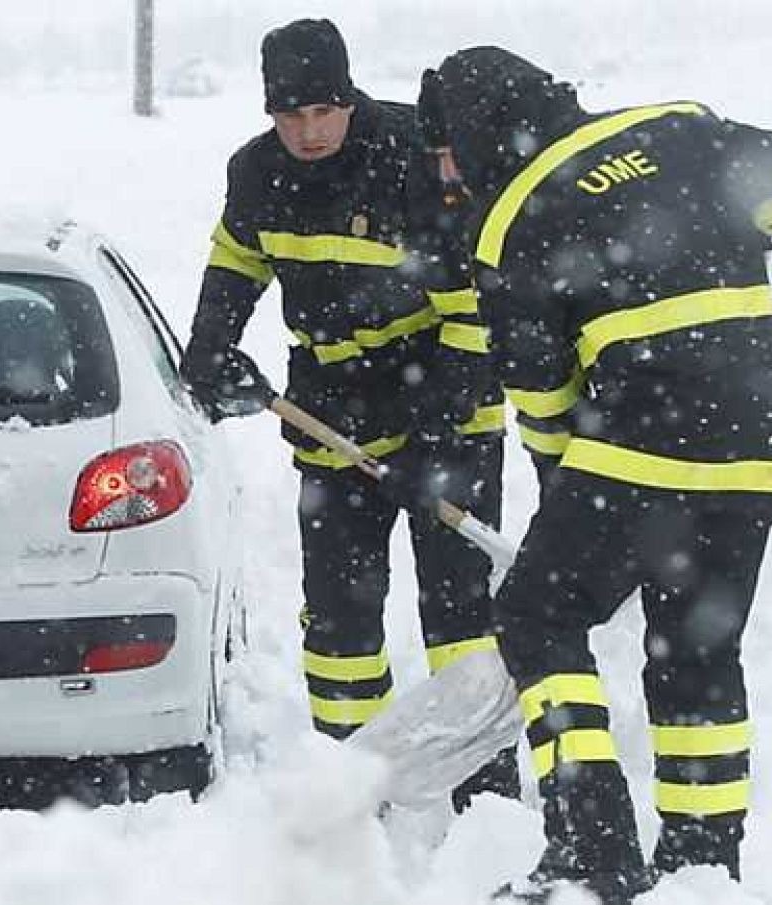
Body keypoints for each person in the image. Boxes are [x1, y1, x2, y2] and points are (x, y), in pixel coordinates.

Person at [417, 47, 772, 903]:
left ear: (475, 135)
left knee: (536, 613)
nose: (450, 174)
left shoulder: (512, 219)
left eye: (449, 150)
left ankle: (589, 850)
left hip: (640, 447)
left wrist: (577, 501)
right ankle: (704, 866)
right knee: (698, 652)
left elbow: (544, 398)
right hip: (753, 444)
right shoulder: (684, 126)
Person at [178, 18, 515, 811]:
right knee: (339, 618)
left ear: (348, 97)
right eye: (289, 116)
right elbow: (237, 258)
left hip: (448, 400)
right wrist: (210, 342)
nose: (308, 131)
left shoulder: (411, 158)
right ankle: (356, 779)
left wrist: (432, 442)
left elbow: (472, 308)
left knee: (460, 611)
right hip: (332, 408)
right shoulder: (258, 174)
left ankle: (483, 785)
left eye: (322, 111)